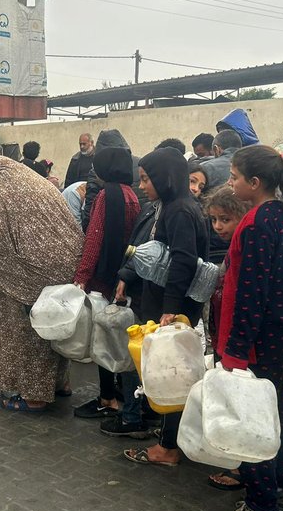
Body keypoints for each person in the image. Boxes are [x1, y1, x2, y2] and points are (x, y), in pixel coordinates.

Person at [213, 145, 283, 511]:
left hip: (254, 341)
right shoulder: (277, 215)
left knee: (251, 422)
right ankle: (281, 492)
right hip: (274, 336)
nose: (230, 182)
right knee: (275, 416)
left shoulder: (255, 223)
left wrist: (236, 351)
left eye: (235, 176)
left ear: (254, 184)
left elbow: (251, 294)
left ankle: (261, 510)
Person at [118, 148, 209, 460]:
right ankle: (171, 437)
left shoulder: (180, 210)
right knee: (172, 367)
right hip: (170, 302)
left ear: (165, 178)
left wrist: (169, 308)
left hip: (174, 306)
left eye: (146, 179)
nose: (142, 186)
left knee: (172, 370)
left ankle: (167, 448)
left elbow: (183, 261)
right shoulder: (172, 205)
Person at [0, 157, 84, 412]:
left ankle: (34, 397)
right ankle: (60, 384)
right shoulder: (36, 180)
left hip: (33, 271)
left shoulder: (2, 186)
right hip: (65, 262)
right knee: (54, 326)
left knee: (29, 330)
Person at [72, 148, 140, 421]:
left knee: (104, 336)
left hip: (106, 278)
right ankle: (121, 394)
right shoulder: (131, 193)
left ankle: (107, 398)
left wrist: (81, 277)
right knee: (120, 337)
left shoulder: (105, 195)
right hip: (124, 275)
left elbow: (94, 239)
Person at [201, 185, 251, 492]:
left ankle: (239, 467)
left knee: (238, 403)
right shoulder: (231, 250)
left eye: (225, 219)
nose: (218, 226)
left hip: (235, 342)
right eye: (214, 220)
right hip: (222, 336)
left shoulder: (244, 249)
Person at [82, 129, 143, 231]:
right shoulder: (141, 165)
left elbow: (90, 211)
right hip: (139, 231)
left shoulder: (97, 172)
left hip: (110, 231)